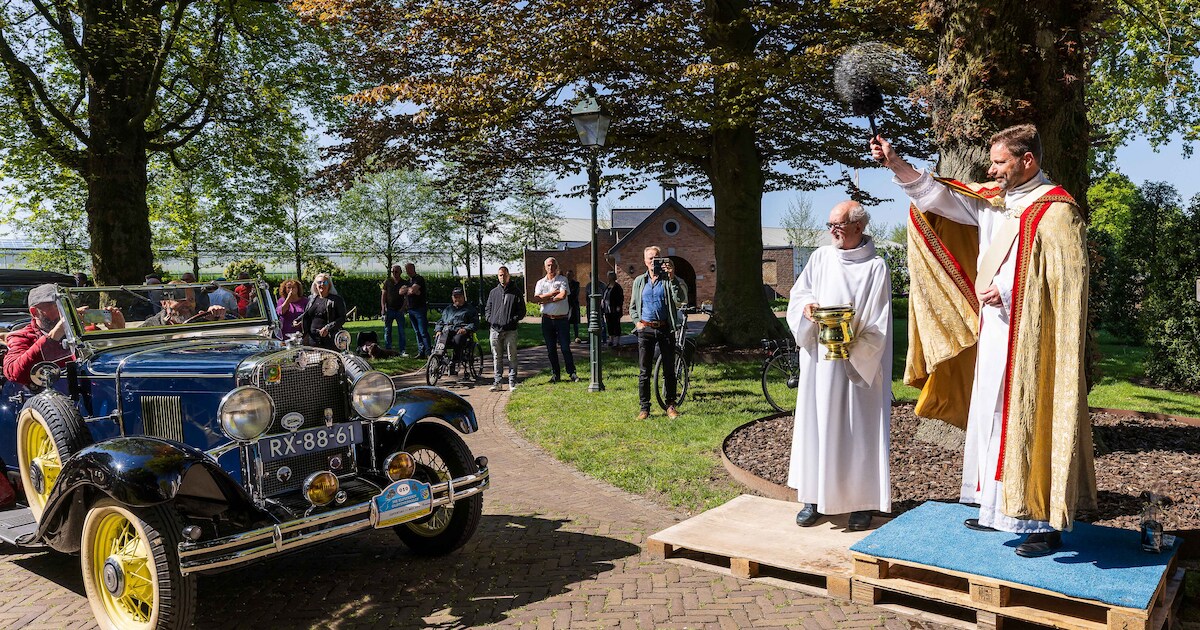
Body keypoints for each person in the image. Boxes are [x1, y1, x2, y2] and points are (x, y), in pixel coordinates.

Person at [872, 125, 1096, 557]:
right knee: (992, 416)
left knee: (1030, 417)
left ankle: (1040, 522)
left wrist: (1009, 291)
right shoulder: (997, 201)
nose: (991, 170)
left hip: (1034, 337)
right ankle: (997, 509)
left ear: (1026, 160)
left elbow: (1068, 285)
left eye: (1000, 162)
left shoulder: (1057, 211)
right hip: (996, 331)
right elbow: (939, 199)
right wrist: (895, 163)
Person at [786, 201, 893, 532]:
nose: (832, 230)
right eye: (830, 224)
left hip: (857, 364)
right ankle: (814, 498)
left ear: (858, 227)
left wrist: (852, 343)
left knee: (857, 429)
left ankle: (861, 503)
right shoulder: (820, 258)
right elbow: (799, 293)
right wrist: (807, 308)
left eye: (838, 225)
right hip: (820, 360)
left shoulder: (876, 267)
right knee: (818, 424)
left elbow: (879, 322)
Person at [3, 284, 122, 386]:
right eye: (57, 306)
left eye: (67, 304)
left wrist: (117, 332)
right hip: (52, 402)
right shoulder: (21, 337)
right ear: (35, 312)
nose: (64, 310)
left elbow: (108, 362)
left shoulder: (87, 330)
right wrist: (58, 331)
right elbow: (15, 373)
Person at [628, 246, 687, 420]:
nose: (654, 261)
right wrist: (637, 322)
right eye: (650, 258)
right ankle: (644, 408)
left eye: (657, 257)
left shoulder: (667, 280)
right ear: (645, 261)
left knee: (669, 369)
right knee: (644, 371)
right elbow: (633, 307)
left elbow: (680, 300)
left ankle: (670, 406)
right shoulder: (639, 281)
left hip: (664, 328)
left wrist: (673, 277)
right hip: (645, 329)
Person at [532, 257, 577, 383]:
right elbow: (536, 298)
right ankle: (555, 374)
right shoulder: (540, 283)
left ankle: (572, 372)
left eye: (552, 265)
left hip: (562, 320)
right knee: (551, 349)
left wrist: (545, 299)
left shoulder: (562, 280)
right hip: (547, 320)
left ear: (556, 266)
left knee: (565, 348)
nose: (550, 268)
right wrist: (553, 293)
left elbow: (562, 295)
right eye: (548, 266)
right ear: (545, 267)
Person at [484, 266, 525, 391]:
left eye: (505, 275)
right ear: (498, 276)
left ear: (509, 276)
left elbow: (522, 311)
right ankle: (498, 382)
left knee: (511, 356)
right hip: (495, 330)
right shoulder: (493, 292)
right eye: (500, 275)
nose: (503, 277)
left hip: (510, 330)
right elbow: (488, 309)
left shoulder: (516, 292)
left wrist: (511, 320)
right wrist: (491, 319)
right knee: (497, 357)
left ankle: (512, 382)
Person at [141, 281, 232, 326]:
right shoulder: (152, 326)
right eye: (181, 299)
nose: (187, 304)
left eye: (191, 300)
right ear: (165, 303)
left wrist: (217, 320)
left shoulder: (202, 321)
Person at [301, 273, 348, 350]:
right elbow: (307, 316)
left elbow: (342, 318)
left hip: (330, 339)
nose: (322, 284)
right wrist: (304, 332)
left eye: (325, 282)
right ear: (315, 285)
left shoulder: (336, 300)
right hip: (313, 339)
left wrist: (328, 328)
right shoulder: (311, 299)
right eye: (319, 282)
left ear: (329, 285)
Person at [434, 287, 477, 369]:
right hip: (447, 331)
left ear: (463, 297)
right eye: (455, 297)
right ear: (452, 298)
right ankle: (439, 359)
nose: (457, 299)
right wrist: (438, 330)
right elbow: (441, 321)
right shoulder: (448, 309)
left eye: (459, 297)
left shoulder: (470, 309)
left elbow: (474, 323)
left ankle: (455, 360)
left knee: (458, 339)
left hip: (461, 332)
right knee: (439, 338)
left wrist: (466, 329)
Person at [381, 265, 410, 356]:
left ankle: (402, 350)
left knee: (401, 331)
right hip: (389, 309)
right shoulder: (388, 282)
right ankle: (388, 350)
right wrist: (383, 308)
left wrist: (403, 308)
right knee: (387, 331)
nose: (394, 273)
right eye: (393, 271)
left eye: (396, 271)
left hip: (399, 310)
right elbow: (383, 296)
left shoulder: (404, 283)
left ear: (400, 272)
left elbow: (406, 297)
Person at [405, 262, 432, 358]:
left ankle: (429, 352)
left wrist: (409, 290)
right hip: (411, 309)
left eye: (408, 269)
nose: (407, 271)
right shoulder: (409, 281)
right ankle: (421, 351)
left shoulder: (419, 279)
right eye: (406, 269)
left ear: (413, 269)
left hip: (419, 309)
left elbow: (412, 291)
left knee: (423, 331)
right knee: (417, 332)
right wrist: (411, 290)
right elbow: (402, 291)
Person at [601, 270, 624, 347]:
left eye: (609, 276)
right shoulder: (607, 286)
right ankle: (611, 339)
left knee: (616, 324)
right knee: (609, 324)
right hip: (607, 309)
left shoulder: (617, 287)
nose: (608, 278)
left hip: (614, 309)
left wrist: (618, 307)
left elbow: (620, 298)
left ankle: (617, 341)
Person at [584, 276, 607, 344]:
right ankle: (591, 338)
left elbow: (604, 296)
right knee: (590, 322)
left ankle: (603, 338)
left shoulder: (602, 285)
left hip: (599, 306)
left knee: (601, 322)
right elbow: (587, 296)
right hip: (590, 306)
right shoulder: (589, 285)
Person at [566, 269, 582, 343]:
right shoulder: (564, 284)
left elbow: (574, 294)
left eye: (570, 275)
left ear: (573, 276)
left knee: (575, 323)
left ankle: (576, 336)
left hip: (573, 305)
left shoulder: (576, 284)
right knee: (566, 322)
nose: (569, 277)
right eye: (567, 275)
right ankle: (567, 337)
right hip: (566, 305)